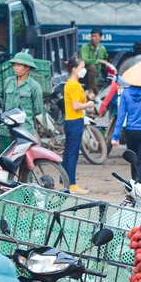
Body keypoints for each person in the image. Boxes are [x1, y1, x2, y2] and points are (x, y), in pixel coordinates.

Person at [60, 57, 94, 194]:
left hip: (70, 121)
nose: (83, 70)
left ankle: (64, 181)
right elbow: (76, 105)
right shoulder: (73, 85)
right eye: (81, 67)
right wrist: (89, 104)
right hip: (75, 121)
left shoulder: (70, 84)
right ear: (74, 70)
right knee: (72, 154)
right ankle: (72, 184)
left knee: (68, 153)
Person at [1, 52, 44, 151]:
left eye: (19, 65)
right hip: (6, 130)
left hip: (24, 130)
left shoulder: (34, 86)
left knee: (24, 162)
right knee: (5, 162)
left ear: (27, 67)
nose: (15, 68)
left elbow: (38, 109)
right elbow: (4, 101)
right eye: (15, 65)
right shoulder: (8, 82)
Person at [79, 28, 109, 94]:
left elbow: (104, 63)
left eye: (96, 36)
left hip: (95, 79)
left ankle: (94, 88)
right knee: (92, 67)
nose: (93, 38)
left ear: (100, 38)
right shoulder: (85, 47)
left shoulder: (102, 49)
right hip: (83, 75)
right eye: (92, 36)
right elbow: (84, 61)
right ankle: (90, 91)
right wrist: (99, 61)